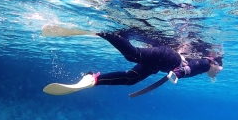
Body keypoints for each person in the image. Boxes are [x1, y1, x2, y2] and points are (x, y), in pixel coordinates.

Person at [88, 32, 223, 87]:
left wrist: (181, 72)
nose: (218, 72)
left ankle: (96, 79)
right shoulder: (206, 63)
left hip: (159, 64)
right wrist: (183, 71)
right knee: (132, 55)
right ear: (214, 63)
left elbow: (195, 63)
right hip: (166, 56)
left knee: (131, 79)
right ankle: (108, 33)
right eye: (218, 70)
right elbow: (197, 63)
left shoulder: (205, 66)